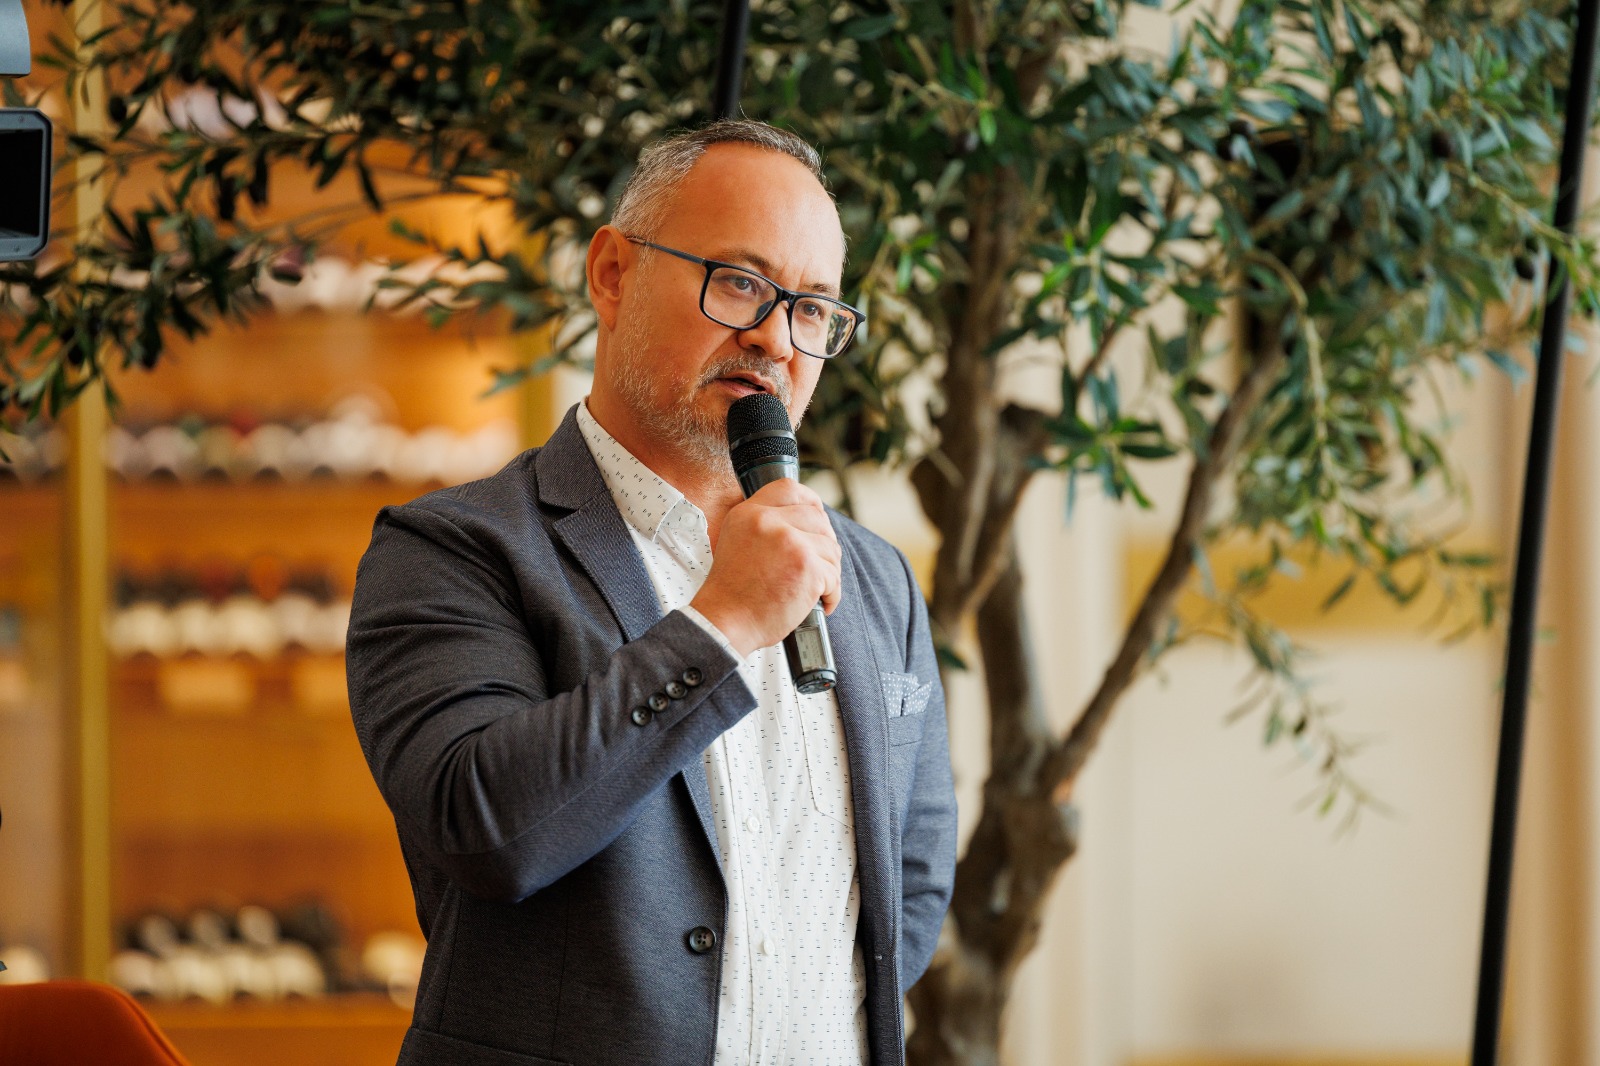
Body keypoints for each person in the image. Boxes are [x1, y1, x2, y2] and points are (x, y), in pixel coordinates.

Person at [346, 119, 957, 1066]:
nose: (774, 338)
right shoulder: (455, 549)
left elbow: (905, 890)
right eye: (740, 282)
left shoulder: (873, 576)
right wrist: (722, 625)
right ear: (612, 274)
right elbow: (486, 829)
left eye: (811, 309)